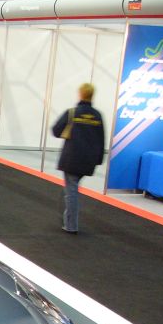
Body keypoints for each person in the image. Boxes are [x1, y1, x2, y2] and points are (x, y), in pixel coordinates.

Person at [52, 83, 105, 234]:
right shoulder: (97, 116)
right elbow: (101, 139)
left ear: (80, 94)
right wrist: (98, 160)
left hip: (71, 158)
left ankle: (71, 225)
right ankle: (66, 218)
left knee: (71, 191)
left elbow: (56, 131)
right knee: (71, 189)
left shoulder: (72, 113)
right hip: (88, 160)